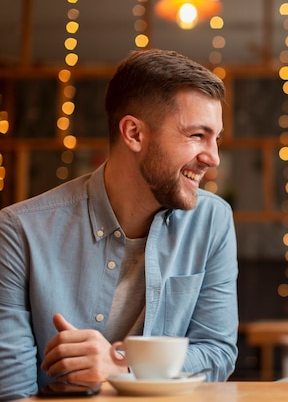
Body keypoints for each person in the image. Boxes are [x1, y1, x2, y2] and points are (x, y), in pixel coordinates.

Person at [0, 48, 239, 400]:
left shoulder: (212, 220)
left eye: (215, 137)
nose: (213, 157)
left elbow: (217, 353)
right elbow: (12, 391)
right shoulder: (18, 231)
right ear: (134, 134)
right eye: (196, 135)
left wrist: (121, 364)